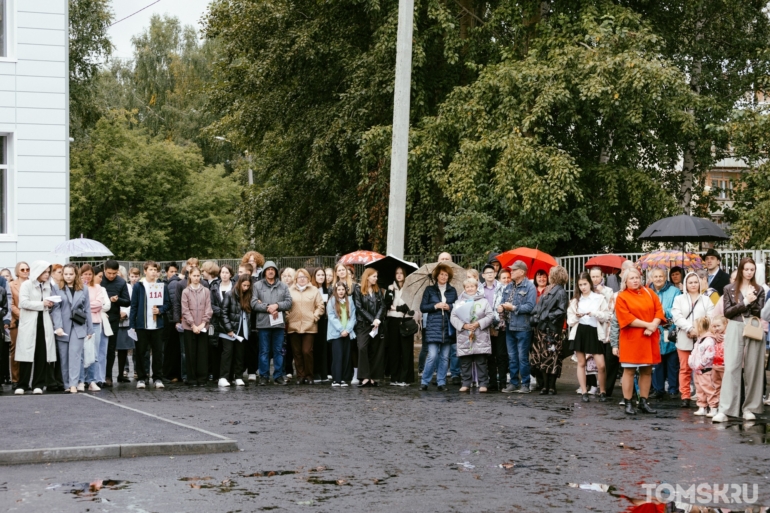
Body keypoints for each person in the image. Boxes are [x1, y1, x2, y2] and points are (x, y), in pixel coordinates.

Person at [713, 257, 766, 422]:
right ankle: (726, 409)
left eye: (752, 269)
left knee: (753, 368)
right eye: (746, 269)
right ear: (741, 269)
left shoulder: (759, 289)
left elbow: (758, 311)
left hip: (753, 327)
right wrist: (745, 301)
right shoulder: (729, 289)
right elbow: (728, 312)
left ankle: (750, 408)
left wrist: (753, 299)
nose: (749, 272)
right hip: (735, 326)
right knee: (731, 367)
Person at [615, 268, 666, 415]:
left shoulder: (649, 293)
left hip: (649, 337)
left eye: (637, 277)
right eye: (631, 278)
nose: (635, 280)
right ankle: (628, 402)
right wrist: (647, 325)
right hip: (631, 339)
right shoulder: (622, 297)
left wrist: (653, 325)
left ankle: (643, 402)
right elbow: (626, 318)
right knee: (629, 370)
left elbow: (659, 311)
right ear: (625, 281)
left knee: (647, 370)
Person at [671, 272, 714, 407]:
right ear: (686, 284)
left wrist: (698, 331)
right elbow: (677, 316)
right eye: (690, 282)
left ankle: (702, 395)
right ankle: (685, 396)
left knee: (702, 368)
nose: (693, 285)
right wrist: (690, 328)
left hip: (702, 339)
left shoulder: (706, 300)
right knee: (684, 368)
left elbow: (710, 317)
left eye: (696, 282)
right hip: (685, 337)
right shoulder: (679, 299)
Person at [15, 261, 58, 395]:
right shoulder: (27, 284)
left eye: (48, 272)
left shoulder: (48, 285)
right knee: (26, 354)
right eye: (44, 272)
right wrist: (42, 304)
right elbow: (23, 303)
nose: (47, 275)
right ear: (38, 271)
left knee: (42, 353)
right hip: (29, 323)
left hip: (44, 322)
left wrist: (50, 303)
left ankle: (38, 384)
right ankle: (22, 384)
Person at [567, 272, 611, 402]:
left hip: (594, 331)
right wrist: (577, 316)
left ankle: (602, 391)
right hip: (580, 331)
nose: (583, 287)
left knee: (601, 365)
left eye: (585, 284)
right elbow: (570, 321)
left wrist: (595, 313)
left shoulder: (599, 298)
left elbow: (607, 316)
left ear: (590, 283)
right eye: (580, 285)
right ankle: (584, 392)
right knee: (581, 363)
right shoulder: (575, 301)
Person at [51, 264, 94, 394]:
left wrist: (90, 329)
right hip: (63, 326)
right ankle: (66, 384)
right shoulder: (56, 288)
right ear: (62, 275)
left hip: (78, 326)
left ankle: (74, 384)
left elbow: (87, 309)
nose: (68, 276)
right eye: (65, 274)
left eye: (71, 274)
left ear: (76, 275)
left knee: (75, 356)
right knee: (64, 357)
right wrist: (57, 326)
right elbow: (55, 309)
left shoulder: (83, 289)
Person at [129, 261, 171, 389]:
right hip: (142, 325)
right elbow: (134, 306)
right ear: (145, 271)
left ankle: (157, 377)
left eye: (155, 270)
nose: (153, 272)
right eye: (151, 269)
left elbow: (167, 303)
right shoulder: (139, 286)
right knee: (141, 352)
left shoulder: (162, 286)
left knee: (158, 352)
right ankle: (142, 377)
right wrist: (132, 325)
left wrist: (160, 310)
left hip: (157, 325)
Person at [529, 266, 569, 395]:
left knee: (552, 357)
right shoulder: (548, 290)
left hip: (552, 330)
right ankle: (545, 386)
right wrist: (534, 316)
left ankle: (551, 386)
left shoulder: (561, 292)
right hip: (541, 328)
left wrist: (545, 316)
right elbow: (538, 307)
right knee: (542, 358)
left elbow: (561, 310)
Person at [251, 261, 292, 386]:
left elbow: (289, 302)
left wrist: (277, 306)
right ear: (264, 272)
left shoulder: (283, 286)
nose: (270, 271)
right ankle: (264, 376)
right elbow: (253, 303)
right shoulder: (257, 286)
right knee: (264, 351)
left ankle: (278, 376)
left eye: (272, 269)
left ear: (275, 271)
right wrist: (268, 307)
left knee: (278, 351)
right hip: (263, 324)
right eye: (267, 269)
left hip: (278, 324)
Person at [499, 261, 537, 394]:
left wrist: (513, 307)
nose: (511, 272)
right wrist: (501, 307)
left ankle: (525, 384)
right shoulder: (509, 286)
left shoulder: (530, 287)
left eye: (514, 270)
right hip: (509, 327)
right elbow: (503, 301)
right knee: (512, 357)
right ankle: (514, 383)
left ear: (522, 271)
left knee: (522, 357)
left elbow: (531, 307)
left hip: (523, 327)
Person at [450, 277, 494, 392]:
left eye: (472, 286)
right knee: (465, 362)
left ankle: (483, 383)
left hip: (480, 334)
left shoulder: (484, 301)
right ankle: (466, 383)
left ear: (476, 288)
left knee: (481, 361)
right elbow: (453, 317)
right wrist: (464, 325)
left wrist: (478, 323)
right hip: (464, 335)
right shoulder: (459, 302)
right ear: (464, 288)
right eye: (467, 287)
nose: (470, 289)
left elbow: (490, 315)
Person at [419, 263, 457, 391]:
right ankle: (425, 381)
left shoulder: (452, 290)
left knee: (445, 357)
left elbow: (457, 307)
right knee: (432, 355)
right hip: (433, 327)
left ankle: (441, 382)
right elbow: (423, 307)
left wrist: (449, 307)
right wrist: (435, 306)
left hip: (448, 327)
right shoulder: (429, 290)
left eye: (446, 275)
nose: (444, 277)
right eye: (441, 274)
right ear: (437, 275)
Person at [286, 268, 325, 385]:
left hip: (309, 326)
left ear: (308, 278)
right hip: (294, 325)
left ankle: (309, 375)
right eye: (299, 277)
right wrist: (287, 318)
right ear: (296, 279)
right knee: (296, 352)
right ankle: (300, 375)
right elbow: (286, 306)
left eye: (304, 277)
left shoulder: (314, 290)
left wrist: (315, 316)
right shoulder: (289, 290)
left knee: (307, 351)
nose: (302, 279)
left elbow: (320, 306)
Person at [647, 267, 681, 400]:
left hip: (669, 329)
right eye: (655, 277)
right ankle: (658, 389)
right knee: (657, 363)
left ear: (665, 277)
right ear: (651, 278)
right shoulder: (647, 292)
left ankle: (673, 389)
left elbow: (676, 309)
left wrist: (661, 311)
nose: (658, 279)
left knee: (672, 362)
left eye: (660, 276)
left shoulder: (675, 291)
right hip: (654, 330)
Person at [353, 268, 385, 387]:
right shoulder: (358, 289)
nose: (376, 279)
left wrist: (377, 319)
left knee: (374, 350)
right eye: (374, 276)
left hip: (376, 325)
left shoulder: (377, 290)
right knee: (362, 348)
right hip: (363, 325)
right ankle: (364, 377)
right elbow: (359, 307)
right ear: (367, 277)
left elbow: (382, 306)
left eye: (376, 276)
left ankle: (371, 377)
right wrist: (373, 320)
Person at [181, 266, 213, 387]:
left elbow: (208, 309)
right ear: (189, 276)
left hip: (203, 326)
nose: (196, 278)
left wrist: (203, 324)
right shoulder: (186, 292)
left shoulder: (206, 291)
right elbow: (185, 310)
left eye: (198, 276)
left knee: (202, 353)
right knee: (190, 353)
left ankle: (202, 379)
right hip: (190, 328)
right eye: (194, 276)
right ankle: (192, 379)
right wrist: (193, 325)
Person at [101, 260, 131, 387]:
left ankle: (108, 376)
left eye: (114, 273)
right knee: (97, 348)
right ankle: (96, 375)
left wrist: (117, 300)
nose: (111, 276)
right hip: (99, 317)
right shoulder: (99, 279)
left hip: (113, 318)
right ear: (104, 270)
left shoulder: (121, 282)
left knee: (111, 348)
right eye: (109, 273)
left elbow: (127, 302)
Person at [383, 266, 413, 386]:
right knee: (394, 350)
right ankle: (394, 377)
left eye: (401, 273)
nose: (399, 275)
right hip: (393, 321)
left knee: (406, 351)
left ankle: (405, 378)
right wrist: (390, 292)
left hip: (406, 321)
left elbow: (408, 307)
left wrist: (396, 308)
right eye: (397, 273)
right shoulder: (390, 288)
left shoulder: (409, 288)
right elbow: (387, 305)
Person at [327, 281, 356, 387]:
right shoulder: (332, 301)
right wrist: (341, 329)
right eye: (339, 289)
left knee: (346, 356)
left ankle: (343, 378)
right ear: (335, 290)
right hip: (336, 334)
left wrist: (348, 329)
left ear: (346, 291)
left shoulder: (350, 301)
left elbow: (353, 316)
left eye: (343, 289)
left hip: (347, 333)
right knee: (337, 356)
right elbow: (331, 316)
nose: (341, 291)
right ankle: (336, 379)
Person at [332, 262, 357, 382]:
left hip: (350, 324)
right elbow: (331, 313)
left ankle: (349, 375)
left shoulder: (354, 286)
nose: (342, 272)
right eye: (339, 270)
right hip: (337, 328)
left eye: (344, 270)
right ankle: (337, 377)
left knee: (349, 352)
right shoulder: (333, 291)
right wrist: (341, 329)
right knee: (338, 354)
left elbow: (353, 312)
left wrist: (348, 328)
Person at [688, 316, 716, 416]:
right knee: (699, 389)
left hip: (705, 370)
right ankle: (702, 406)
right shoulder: (699, 340)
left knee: (708, 389)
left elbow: (709, 355)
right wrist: (691, 362)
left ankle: (713, 407)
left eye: (694, 327)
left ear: (700, 328)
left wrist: (701, 364)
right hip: (697, 370)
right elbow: (694, 353)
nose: (693, 329)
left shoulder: (708, 340)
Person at [489, 268, 511, 391]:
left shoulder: (512, 291)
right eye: (504, 278)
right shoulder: (495, 291)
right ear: (499, 279)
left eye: (508, 277)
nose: (506, 280)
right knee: (491, 356)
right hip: (491, 326)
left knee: (502, 355)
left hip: (504, 327)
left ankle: (502, 382)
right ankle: (492, 382)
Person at [116, 267, 139, 383]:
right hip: (112, 320)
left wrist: (125, 312)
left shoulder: (128, 287)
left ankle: (121, 373)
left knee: (123, 349)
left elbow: (132, 303)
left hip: (124, 321)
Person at [210, 264, 233, 384]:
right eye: (222, 272)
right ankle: (216, 376)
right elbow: (211, 304)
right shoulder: (214, 287)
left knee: (228, 350)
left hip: (230, 322)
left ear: (231, 274)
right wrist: (222, 312)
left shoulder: (234, 287)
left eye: (226, 272)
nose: (224, 275)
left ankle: (228, 376)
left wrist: (227, 313)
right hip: (217, 321)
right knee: (216, 348)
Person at [9, 261, 30, 388]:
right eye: (22, 269)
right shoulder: (11, 285)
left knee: (27, 349)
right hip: (17, 321)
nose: (25, 271)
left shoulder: (32, 284)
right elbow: (10, 304)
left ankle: (25, 380)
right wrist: (22, 314)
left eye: (27, 269)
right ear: (17, 271)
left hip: (30, 321)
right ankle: (15, 379)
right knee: (15, 349)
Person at [163, 262, 183, 383]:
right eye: (171, 271)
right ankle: (171, 373)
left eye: (175, 271)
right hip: (170, 320)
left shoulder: (170, 283)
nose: (174, 274)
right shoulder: (168, 284)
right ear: (166, 272)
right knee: (171, 348)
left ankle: (170, 373)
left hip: (172, 319)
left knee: (172, 348)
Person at [705, 316, 726, 417]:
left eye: (718, 326)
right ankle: (716, 407)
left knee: (725, 388)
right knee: (716, 387)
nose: (716, 328)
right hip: (714, 365)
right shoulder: (712, 336)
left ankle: (724, 407)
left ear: (725, 325)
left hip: (724, 366)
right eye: (714, 326)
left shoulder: (728, 336)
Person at [311, 267, 330, 383]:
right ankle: (315, 372)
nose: (321, 277)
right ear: (314, 276)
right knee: (314, 347)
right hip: (314, 320)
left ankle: (324, 372)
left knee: (323, 346)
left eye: (323, 275)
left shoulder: (327, 290)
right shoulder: (312, 289)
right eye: (318, 275)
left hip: (324, 321)